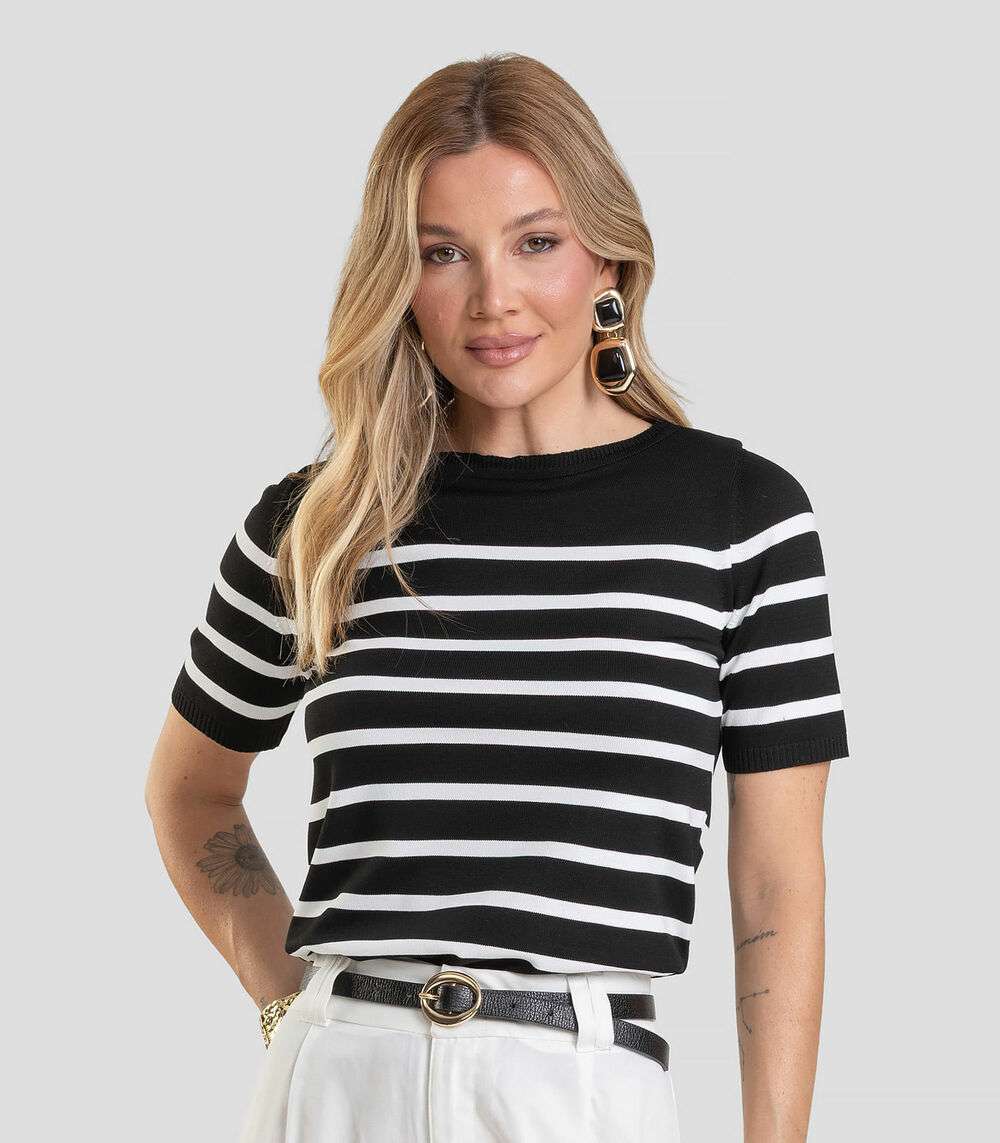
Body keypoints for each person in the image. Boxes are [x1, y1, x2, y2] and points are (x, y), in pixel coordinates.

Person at [145, 51, 850, 1143]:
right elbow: (190, 792)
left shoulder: (739, 517)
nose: (493, 298)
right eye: (442, 253)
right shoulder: (319, 520)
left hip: (584, 1092)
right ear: (398, 280)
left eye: (536, 242)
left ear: (607, 255)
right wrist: (289, 1006)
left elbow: (776, 888)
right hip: (338, 1083)